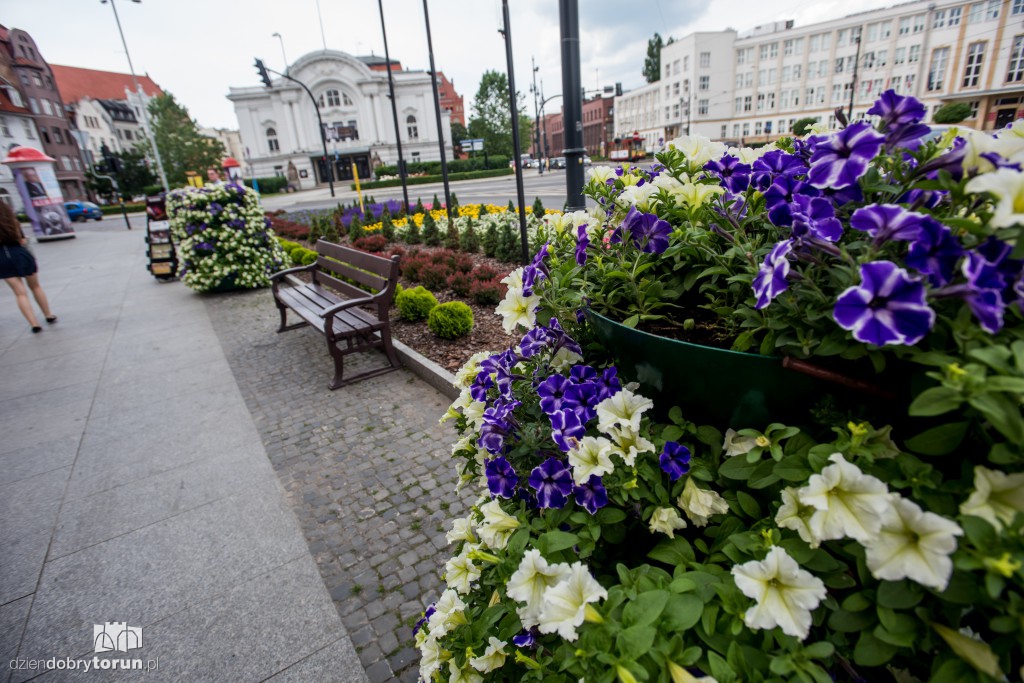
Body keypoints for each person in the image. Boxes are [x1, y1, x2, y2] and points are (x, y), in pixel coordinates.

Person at [0, 201, 55, 333]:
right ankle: (48, 315)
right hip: (20, 254)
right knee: (35, 286)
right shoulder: (11, 219)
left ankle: (34, 324)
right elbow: (22, 240)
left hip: (2, 258)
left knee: (20, 293)